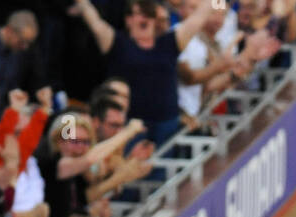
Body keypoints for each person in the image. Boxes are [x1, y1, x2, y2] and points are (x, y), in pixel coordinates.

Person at [69, 0, 227, 147]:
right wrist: (82, 5)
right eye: (137, 14)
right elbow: (94, 21)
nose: (143, 18)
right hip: (130, 127)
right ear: (128, 19)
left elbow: (199, 17)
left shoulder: (170, 42)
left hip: (167, 126)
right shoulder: (116, 43)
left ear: (154, 19)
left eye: (148, 14)